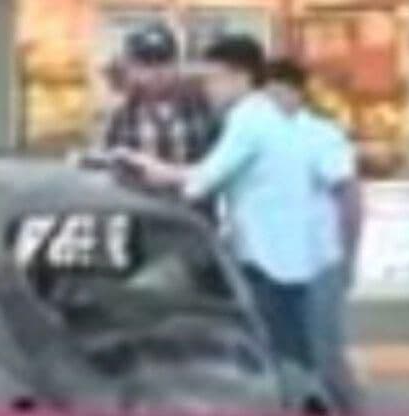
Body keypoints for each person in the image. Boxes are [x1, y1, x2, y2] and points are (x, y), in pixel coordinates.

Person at [124, 35, 326, 369]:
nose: (207, 88)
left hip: (266, 259)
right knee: (290, 352)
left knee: (280, 359)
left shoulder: (248, 121)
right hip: (284, 256)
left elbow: (201, 182)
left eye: (213, 79)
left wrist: (151, 169)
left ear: (242, 77)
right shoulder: (270, 117)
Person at [266, 57, 364, 410]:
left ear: (298, 94)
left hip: (317, 263)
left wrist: (348, 257)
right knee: (283, 358)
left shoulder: (320, 136)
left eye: (280, 92)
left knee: (324, 355)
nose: (273, 101)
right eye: (266, 94)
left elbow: (349, 197)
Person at [100, 23, 219, 167]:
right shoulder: (121, 117)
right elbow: (110, 168)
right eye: (146, 63)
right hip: (135, 190)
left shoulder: (205, 107)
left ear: (176, 64)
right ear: (132, 67)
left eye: (163, 61)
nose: (156, 71)